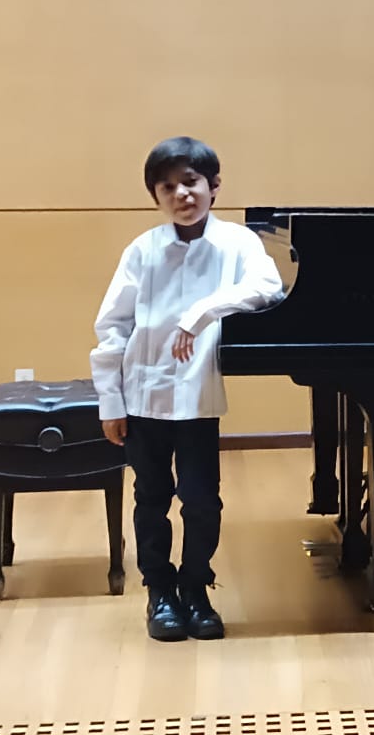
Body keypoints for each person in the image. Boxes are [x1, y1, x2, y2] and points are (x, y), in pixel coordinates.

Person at [90, 136, 285, 641]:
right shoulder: (142, 250)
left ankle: (196, 587)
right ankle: (159, 592)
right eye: (168, 187)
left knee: (201, 501)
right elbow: (112, 329)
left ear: (214, 186)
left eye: (191, 182)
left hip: (198, 397)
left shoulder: (239, 243)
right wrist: (110, 401)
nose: (182, 194)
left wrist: (202, 311)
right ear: (156, 196)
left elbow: (268, 288)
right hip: (143, 394)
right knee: (151, 498)